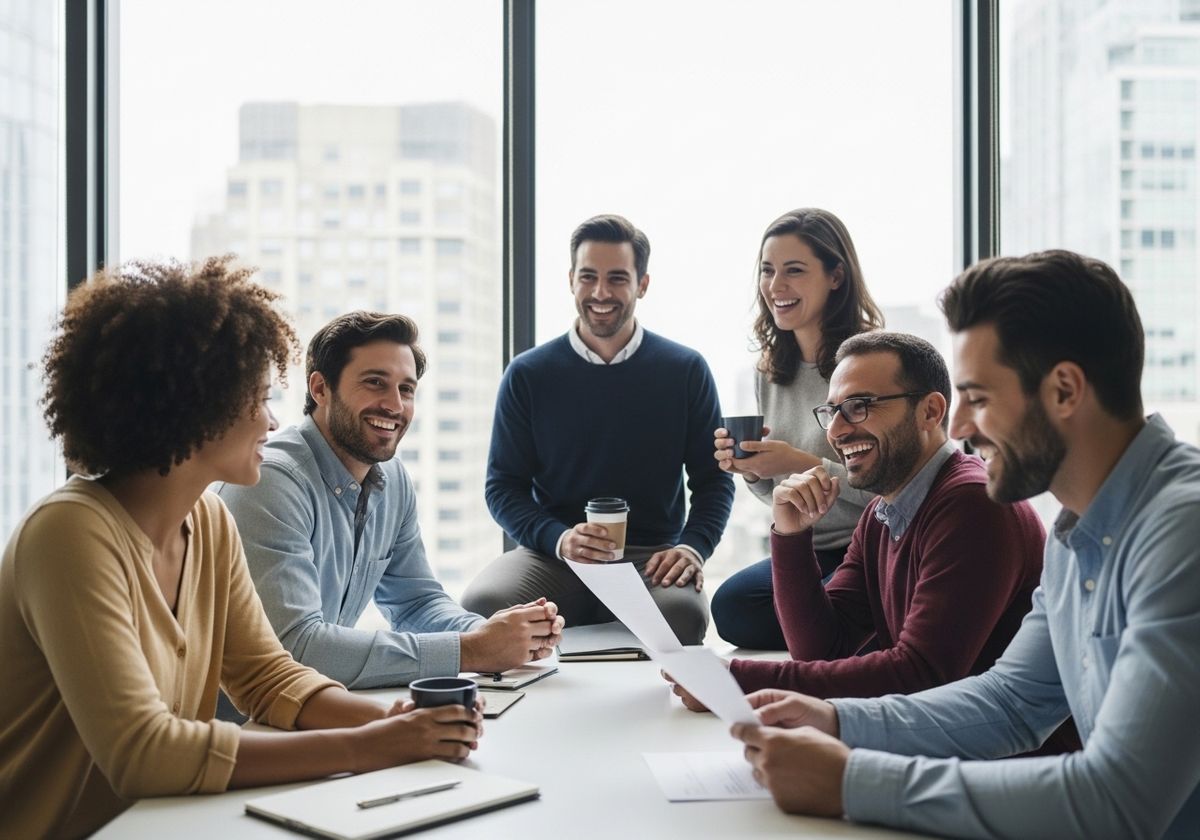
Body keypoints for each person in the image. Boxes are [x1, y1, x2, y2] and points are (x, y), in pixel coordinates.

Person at [0, 258, 484, 839]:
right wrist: (369, 745)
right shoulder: (70, 535)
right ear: (196, 410)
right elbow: (143, 751)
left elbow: (267, 676)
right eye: (257, 398)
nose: (271, 419)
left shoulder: (206, 521)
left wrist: (399, 722)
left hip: (166, 824)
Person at [731, 250, 1200, 839]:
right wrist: (836, 720)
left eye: (977, 397)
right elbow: (1011, 703)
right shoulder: (1073, 531)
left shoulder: (1182, 533)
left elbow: (1121, 802)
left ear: (1063, 391)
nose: (957, 428)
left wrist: (853, 780)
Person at [672, 332, 1047, 703]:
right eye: (832, 411)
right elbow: (821, 648)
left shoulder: (972, 503)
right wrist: (790, 536)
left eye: (859, 405)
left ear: (930, 412)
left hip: (999, 757)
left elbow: (920, 674)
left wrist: (734, 679)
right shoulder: (881, 513)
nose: (835, 431)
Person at [219, 311, 564, 689]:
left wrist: (501, 635)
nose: (395, 406)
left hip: (314, 707)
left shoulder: (392, 479)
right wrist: (473, 650)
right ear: (320, 389)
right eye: (375, 383)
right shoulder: (270, 480)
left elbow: (416, 602)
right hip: (237, 727)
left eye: (406, 389)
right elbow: (294, 649)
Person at [461, 214, 734, 645]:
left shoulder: (685, 370)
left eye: (617, 278)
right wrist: (560, 538)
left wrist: (691, 547)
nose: (601, 292)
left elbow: (714, 481)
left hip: (652, 557)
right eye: (588, 276)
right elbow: (502, 487)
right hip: (555, 554)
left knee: (682, 619)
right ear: (571, 280)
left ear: (642, 284)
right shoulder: (528, 374)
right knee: (484, 603)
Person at [710, 208, 884, 650]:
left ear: (836, 276)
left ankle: (844, 623)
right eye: (768, 271)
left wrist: (803, 462)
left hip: (873, 544)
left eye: (794, 271)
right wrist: (753, 470)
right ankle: (844, 624)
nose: (775, 286)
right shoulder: (770, 371)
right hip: (807, 547)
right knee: (731, 608)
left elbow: (892, 485)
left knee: (818, 609)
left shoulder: (871, 363)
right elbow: (776, 496)